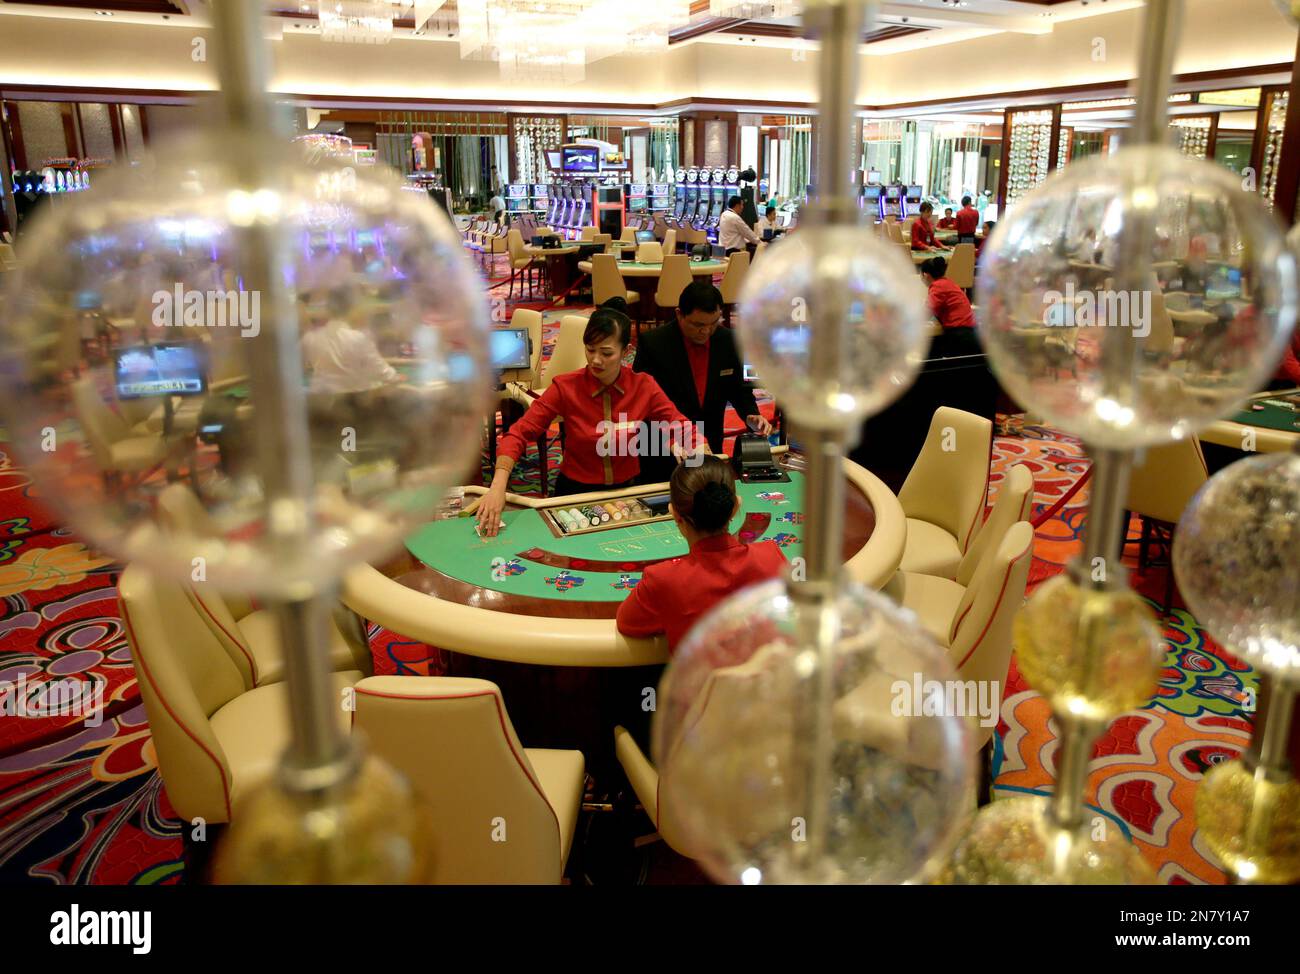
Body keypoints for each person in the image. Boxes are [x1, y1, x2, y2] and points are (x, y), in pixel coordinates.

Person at [477, 298, 701, 536]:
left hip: (627, 492)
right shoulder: (566, 387)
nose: (595, 360)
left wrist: (702, 455)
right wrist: (498, 484)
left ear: (626, 352)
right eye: (590, 349)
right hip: (574, 494)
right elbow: (520, 432)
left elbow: (681, 426)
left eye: (606, 353)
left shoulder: (643, 386)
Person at [616, 456, 787, 655]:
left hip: (701, 686)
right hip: (766, 684)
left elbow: (627, 623)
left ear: (675, 515)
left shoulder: (662, 580)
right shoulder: (771, 556)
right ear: (736, 507)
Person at [633, 281, 771, 483]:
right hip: (664, 449)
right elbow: (641, 404)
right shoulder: (653, 344)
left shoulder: (730, 340)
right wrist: (668, 440)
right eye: (698, 325)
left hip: (709, 443)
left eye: (713, 323)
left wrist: (751, 415)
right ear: (679, 314)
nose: (706, 331)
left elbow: (739, 389)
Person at [300, 287, 400, 394]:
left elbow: (296, 369)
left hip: (319, 402)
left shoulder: (310, 338)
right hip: (351, 403)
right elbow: (381, 372)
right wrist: (397, 377)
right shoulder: (358, 338)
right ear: (351, 309)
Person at [920, 256, 981, 359]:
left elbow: (926, 312)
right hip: (968, 331)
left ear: (925, 275)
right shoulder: (946, 283)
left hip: (960, 335)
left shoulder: (938, 287)